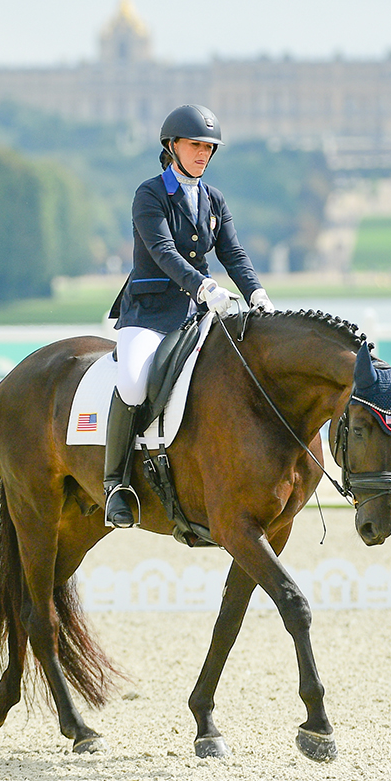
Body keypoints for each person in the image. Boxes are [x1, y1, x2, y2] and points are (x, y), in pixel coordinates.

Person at [102, 104, 275, 527]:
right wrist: (202, 285)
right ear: (172, 146)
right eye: (195, 145)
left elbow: (232, 253)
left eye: (208, 147)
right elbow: (162, 251)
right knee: (133, 382)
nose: (202, 153)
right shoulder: (150, 194)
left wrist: (258, 295)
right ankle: (116, 485)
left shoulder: (214, 198)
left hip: (199, 314)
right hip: (149, 313)